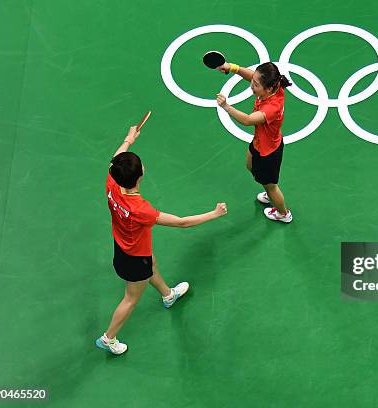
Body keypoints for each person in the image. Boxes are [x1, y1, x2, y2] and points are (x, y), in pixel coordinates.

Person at [97, 125, 228, 355]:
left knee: (153, 264)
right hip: (135, 258)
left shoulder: (112, 183)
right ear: (140, 176)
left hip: (123, 248)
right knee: (130, 299)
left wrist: (129, 139)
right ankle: (109, 338)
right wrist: (214, 214)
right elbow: (182, 222)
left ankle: (168, 295)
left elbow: (116, 159)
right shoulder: (141, 209)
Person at [215, 61, 293, 223]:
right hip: (259, 142)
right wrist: (231, 67)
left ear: (268, 88)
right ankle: (268, 188)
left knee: (271, 185)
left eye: (256, 85)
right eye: (253, 81)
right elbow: (252, 75)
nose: (252, 85)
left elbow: (248, 120)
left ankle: (283, 213)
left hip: (268, 152)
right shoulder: (273, 86)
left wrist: (226, 106)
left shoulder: (272, 107)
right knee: (250, 164)